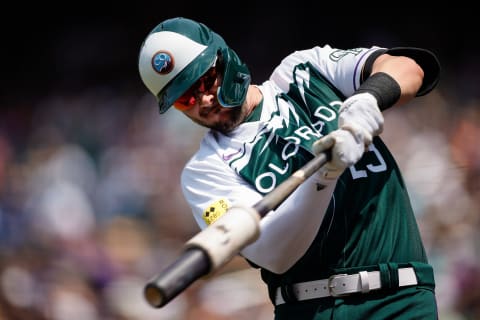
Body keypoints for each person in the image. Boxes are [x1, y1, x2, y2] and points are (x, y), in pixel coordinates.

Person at [138, 17, 441, 319]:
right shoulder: (204, 171)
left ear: (224, 57)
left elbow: (409, 67)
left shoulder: (302, 72)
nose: (202, 100)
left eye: (204, 80)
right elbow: (275, 254)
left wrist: (368, 98)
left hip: (402, 299)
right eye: (185, 99)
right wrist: (325, 175)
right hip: (310, 308)